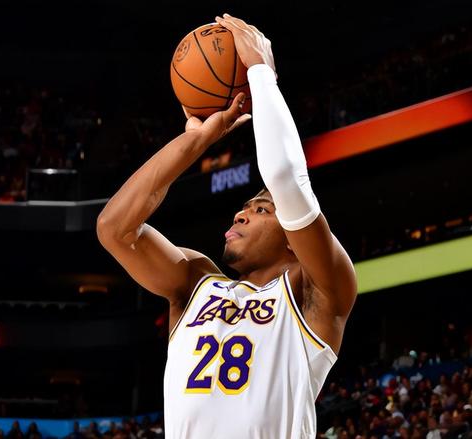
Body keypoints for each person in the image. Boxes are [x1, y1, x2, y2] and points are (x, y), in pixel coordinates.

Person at [97, 13, 357, 439]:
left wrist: (261, 73)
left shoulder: (317, 292)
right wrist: (195, 141)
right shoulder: (195, 282)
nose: (240, 214)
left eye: (261, 210)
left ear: (294, 240)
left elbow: (286, 179)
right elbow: (115, 228)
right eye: (244, 208)